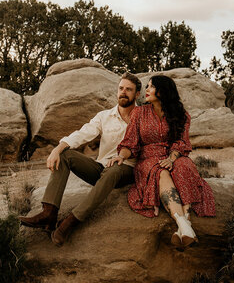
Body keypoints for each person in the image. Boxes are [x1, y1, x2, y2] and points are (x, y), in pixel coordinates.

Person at [19, 71, 141, 246]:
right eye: (121, 88)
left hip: (127, 169)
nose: (123, 92)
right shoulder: (104, 116)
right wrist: (58, 148)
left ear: (137, 94)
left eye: (128, 89)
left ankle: (70, 222)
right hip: (102, 167)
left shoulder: (144, 116)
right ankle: (49, 213)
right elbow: (83, 133)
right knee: (65, 155)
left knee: (113, 171)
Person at [111, 75, 215, 248]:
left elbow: (182, 142)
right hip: (148, 158)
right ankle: (184, 225)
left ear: (162, 91)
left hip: (173, 155)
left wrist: (172, 158)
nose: (147, 90)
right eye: (147, 87)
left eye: (151, 87)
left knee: (184, 166)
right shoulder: (139, 113)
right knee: (161, 171)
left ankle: (184, 229)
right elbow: (130, 141)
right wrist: (121, 156)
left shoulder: (181, 115)